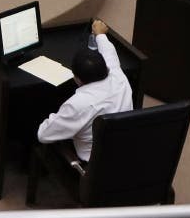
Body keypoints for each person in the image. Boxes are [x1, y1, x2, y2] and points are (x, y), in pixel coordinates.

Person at [36, 19, 133, 162]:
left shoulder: (77, 105)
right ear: (106, 68)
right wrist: (100, 34)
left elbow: (43, 135)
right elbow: (109, 53)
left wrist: (56, 116)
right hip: (126, 153)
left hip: (93, 167)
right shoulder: (119, 77)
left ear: (77, 79)